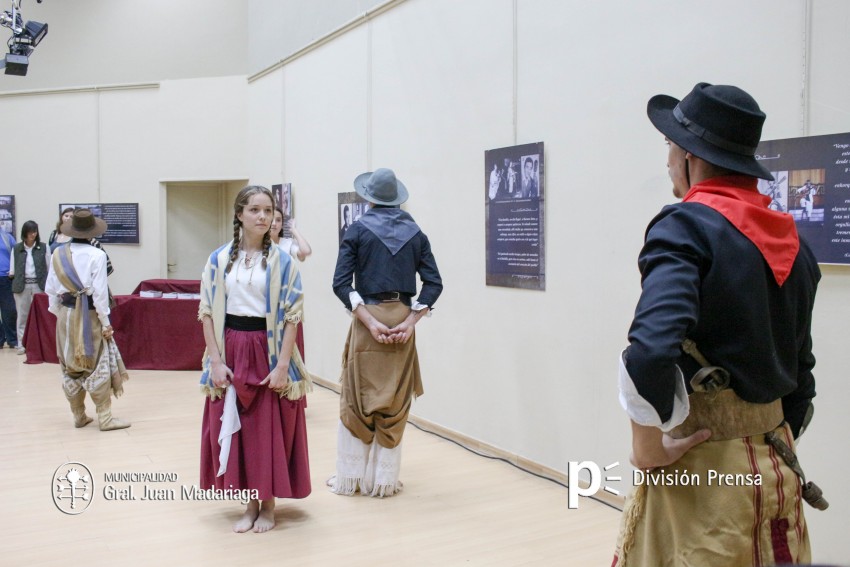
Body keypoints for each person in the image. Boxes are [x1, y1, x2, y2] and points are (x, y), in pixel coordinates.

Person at [613, 83, 820, 565]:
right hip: (778, 467)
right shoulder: (796, 243)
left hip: (705, 474)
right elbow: (801, 371)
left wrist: (647, 447)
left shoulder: (686, 226)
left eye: (669, 147)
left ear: (689, 156)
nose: (666, 161)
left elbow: (647, 351)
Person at [198, 185, 311, 533]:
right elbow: (206, 312)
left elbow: (293, 315)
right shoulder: (219, 259)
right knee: (238, 428)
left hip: (268, 348)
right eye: (255, 210)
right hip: (231, 346)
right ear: (239, 214)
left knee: (267, 428)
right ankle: (248, 503)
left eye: (268, 211)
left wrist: (281, 365)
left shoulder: (283, 261)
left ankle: (269, 505)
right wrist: (216, 361)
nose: (263, 217)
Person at [329, 168, 443, 497]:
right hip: (402, 317)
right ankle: (383, 480)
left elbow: (340, 283)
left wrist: (369, 321)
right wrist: (409, 322)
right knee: (394, 399)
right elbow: (434, 283)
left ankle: (350, 478)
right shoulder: (416, 233)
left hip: (368, 320)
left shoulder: (357, 230)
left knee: (358, 398)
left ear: (368, 198)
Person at [45, 209, 130, 431]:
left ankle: (79, 415)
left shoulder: (58, 254)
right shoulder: (97, 255)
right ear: (93, 232)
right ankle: (105, 417)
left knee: (70, 365)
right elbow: (100, 294)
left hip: (65, 315)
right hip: (90, 315)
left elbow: (50, 289)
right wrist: (105, 323)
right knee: (96, 362)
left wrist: (61, 314)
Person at [9, 221, 49, 355]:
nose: (33, 234)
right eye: (30, 231)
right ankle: (21, 344)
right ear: (24, 233)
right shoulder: (17, 248)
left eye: (35, 231)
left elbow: (49, 267)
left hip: (39, 285)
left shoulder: (44, 247)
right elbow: (12, 269)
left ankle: (41, 344)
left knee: (42, 314)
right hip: (22, 285)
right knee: (22, 315)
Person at [49, 207, 114, 276]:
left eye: (71, 216)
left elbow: (106, 269)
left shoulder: (96, 248)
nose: (68, 218)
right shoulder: (54, 237)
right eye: (66, 216)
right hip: (61, 276)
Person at [0, 226, 17, 349]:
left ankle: (12, 339)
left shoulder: (7, 237)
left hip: (6, 278)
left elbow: (16, 255)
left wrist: (13, 271)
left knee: (9, 310)